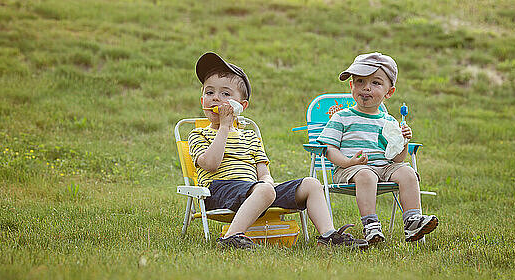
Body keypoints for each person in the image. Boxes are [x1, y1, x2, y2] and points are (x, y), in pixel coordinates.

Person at [188, 52, 368, 249]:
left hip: (255, 190)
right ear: (202, 99)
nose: (215, 98)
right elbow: (211, 164)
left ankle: (328, 236)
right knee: (263, 189)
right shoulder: (198, 135)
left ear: (241, 106)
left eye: (225, 94)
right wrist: (223, 127)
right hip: (217, 191)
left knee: (311, 184)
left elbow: (264, 173)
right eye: (209, 92)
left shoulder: (250, 136)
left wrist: (267, 184)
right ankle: (230, 237)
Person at [317, 52, 438, 244]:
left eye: (376, 83)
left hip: (384, 167)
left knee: (407, 172)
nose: (366, 88)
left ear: (389, 92)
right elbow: (330, 149)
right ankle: (371, 225)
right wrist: (348, 162)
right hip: (350, 170)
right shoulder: (341, 117)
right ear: (351, 86)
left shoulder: (389, 121)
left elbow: (396, 159)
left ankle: (412, 222)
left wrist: (403, 142)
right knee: (367, 174)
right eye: (360, 81)